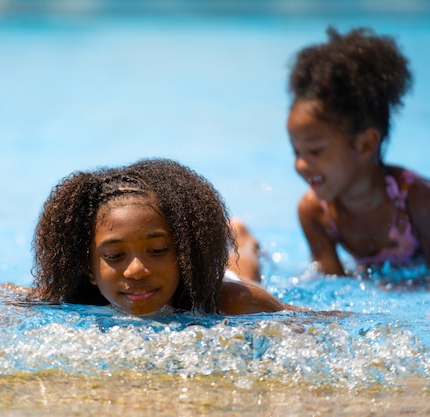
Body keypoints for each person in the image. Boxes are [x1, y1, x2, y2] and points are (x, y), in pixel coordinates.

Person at [31, 158, 302, 316]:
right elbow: (3, 299)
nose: (137, 270)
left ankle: (242, 241)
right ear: (88, 268)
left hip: (214, 283)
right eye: (114, 256)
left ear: (184, 255)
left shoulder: (231, 300)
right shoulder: (71, 300)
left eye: (158, 250)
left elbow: (323, 322)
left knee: (244, 272)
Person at [287, 26, 430, 277]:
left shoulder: (416, 201)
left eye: (314, 151)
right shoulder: (315, 212)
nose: (300, 164)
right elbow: (332, 291)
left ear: (365, 144)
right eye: (296, 151)